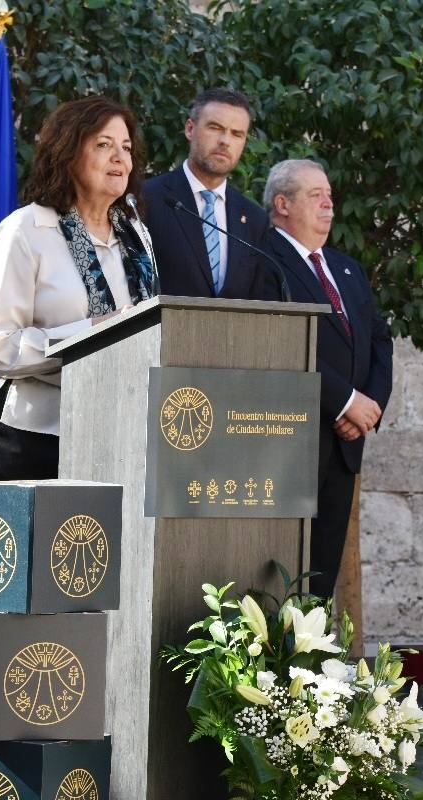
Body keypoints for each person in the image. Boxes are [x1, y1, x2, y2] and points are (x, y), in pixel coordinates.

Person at [0, 96, 153, 480]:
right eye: (104, 145)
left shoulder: (135, 234)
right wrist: (89, 335)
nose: (120, 158)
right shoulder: (25, 231)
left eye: (126, 148)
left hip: (118, 432)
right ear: (67, 153)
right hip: (35, 435)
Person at [262, 159, 393, 598]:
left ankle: (309, 663)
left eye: (329, 194)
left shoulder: (347, 268)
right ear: (282, 203)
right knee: (275, 578)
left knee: (320, 583)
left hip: (344, 445)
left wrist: (367, 407)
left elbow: (379, 339)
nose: (329, 203)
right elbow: (277, 343)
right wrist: (343, 401)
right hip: (291, 441)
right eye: (315, 194)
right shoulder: (263, 260)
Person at [143, 88, 267, 299]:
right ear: (190, 129)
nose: (225, 141)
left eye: (237, 134)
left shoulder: (254, 218)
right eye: (215, 127)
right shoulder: (147, 198)